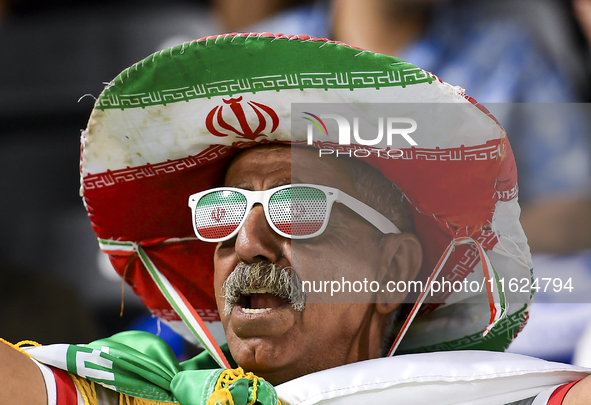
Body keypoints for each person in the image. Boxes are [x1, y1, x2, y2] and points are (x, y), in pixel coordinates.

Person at [1, 33, 591, 405]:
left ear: (394, 269)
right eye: (224, 212)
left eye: (296, 208)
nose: (248, 242)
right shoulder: (145, 392)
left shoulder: (479, 397)